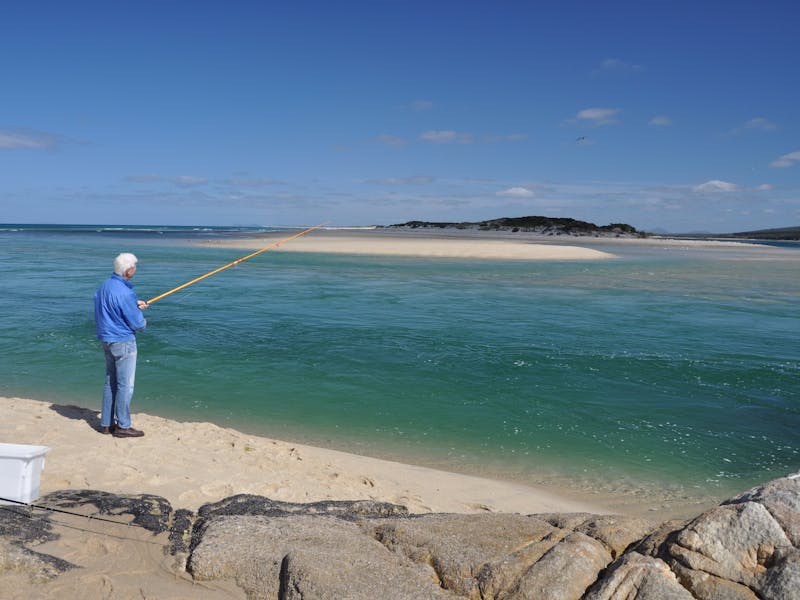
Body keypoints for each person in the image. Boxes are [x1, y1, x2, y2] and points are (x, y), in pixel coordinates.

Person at [94, 252, 149, 437]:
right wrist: (141, 316)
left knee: (111, 381)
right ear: (128, 270)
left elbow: (110, 308)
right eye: (134, 266)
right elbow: (138, 324)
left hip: (106, 339)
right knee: (126, 385)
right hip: (123, 341)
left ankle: (106, 424)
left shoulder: (104, 286)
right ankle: (123, 426)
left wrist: (134, 304)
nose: (135, 269)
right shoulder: (126, 293)